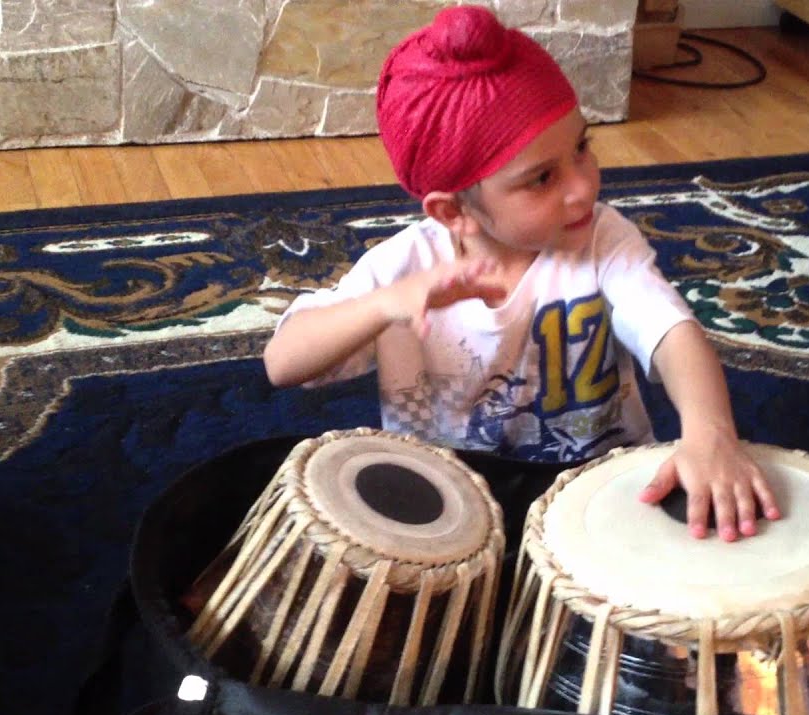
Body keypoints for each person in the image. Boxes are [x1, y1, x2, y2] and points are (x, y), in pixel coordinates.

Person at [263, 5, 780, 542]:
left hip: (593, 491)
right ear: (452, 212)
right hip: (451, 505)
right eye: (541, 179)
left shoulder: (602, 239)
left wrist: (710, 431)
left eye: (582, 147)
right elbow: (282, 363)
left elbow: (674, 335)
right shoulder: (406, 269)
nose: (582, 187)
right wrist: (385, 304)